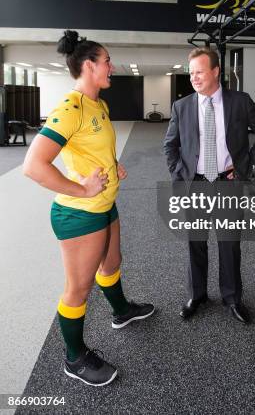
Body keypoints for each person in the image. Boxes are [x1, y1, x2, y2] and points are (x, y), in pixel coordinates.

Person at [23, 30, 155, 387]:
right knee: (77, 290)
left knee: (112, 264)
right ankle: (74, 357)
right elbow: (34, 166)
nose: (113, 66)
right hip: (79, 214)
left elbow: (93, 147)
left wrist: (113, 165)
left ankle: (121, 311)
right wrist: (80, 189)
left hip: (105, 205)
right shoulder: (70, 108)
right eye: (107, 60)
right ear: (89, 65)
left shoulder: (99, 104)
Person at [163, 47, 255, 324]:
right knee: (195, 243)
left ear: (215, 72)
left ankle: (232, 298)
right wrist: (179, 174)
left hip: (228, 183)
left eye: (199, 72)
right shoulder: (182, 106)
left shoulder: (239, 101)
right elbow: (170, 144)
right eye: (191, 73)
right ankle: (196, 295)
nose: (194, 78)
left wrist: (247, 165)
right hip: (195, 184)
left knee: (229, 244)